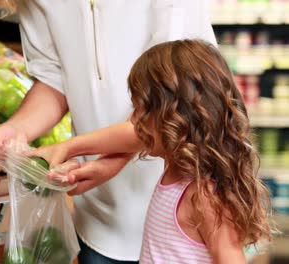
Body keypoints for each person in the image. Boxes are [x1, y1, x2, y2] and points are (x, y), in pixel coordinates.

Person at [0, 1, 217, 262]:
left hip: (181, 213)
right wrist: (17, 128)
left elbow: (174, 95)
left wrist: (101, 157)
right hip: (98, 217)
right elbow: (54, 77)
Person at [27, 39, 273, 263]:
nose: (134, 122)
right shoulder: (173, 175)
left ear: (178, 119)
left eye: (142, 110)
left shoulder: (204, 195)